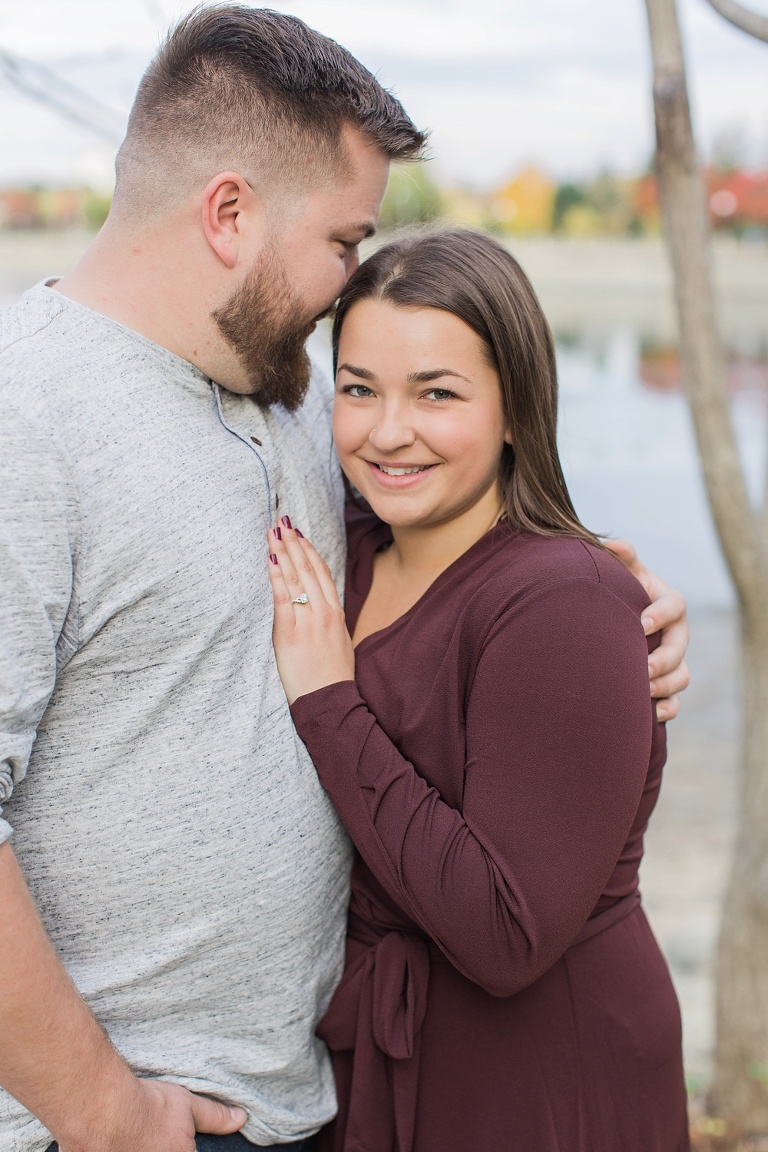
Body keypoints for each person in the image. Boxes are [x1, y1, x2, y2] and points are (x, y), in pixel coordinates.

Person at [0, 8, 425, 1152]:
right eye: (343, 242)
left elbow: (425, 559)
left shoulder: (281, 393)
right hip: (118, 1127)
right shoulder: (23, 421)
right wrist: (109, 1115)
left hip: (301, 1097)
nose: (349, 282)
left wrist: (602, 597)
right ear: (228, 213)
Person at [266, 228, 690, 1152]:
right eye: (358, 388)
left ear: (514, 409)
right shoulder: (348, 547)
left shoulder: (562, 605)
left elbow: (506, 934)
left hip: (540, 1077)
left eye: (437, 394)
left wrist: (329, 704)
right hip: (382, 1055)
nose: (387, 432)